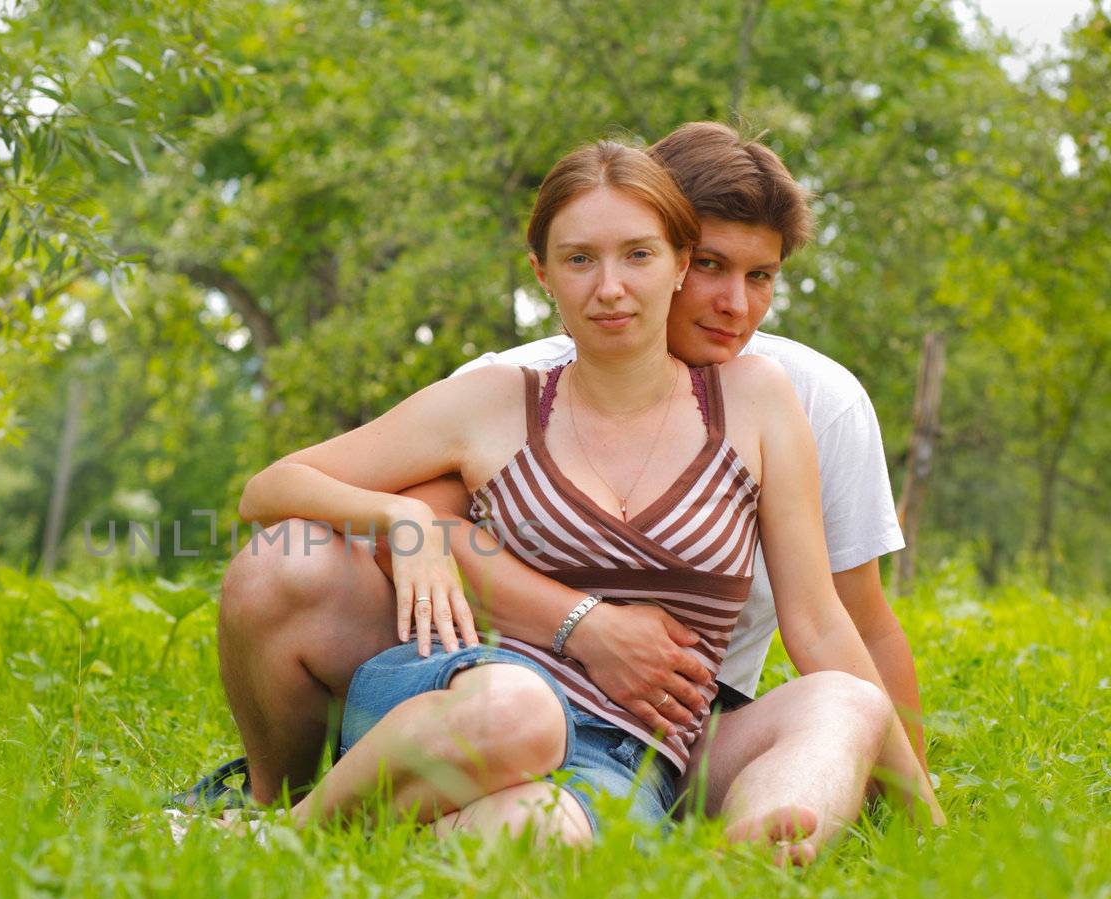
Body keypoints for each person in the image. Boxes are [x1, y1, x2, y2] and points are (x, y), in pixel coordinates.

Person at [226, 138, 941, 844]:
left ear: (671, 262)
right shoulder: (500, 395)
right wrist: (404, 517)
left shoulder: (767, 399)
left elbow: (826, 623)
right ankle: (284, 829)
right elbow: (274, 487)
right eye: (580, 259)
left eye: (638, 255)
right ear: (543, 273)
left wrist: (927, 821)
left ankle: (751, 858)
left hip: (652, 745)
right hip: (483, 689)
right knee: (521, 713)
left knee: (842, 703)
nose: (610, 287)